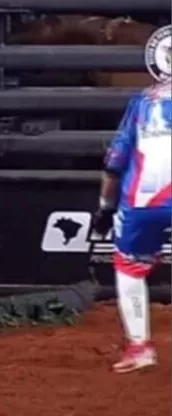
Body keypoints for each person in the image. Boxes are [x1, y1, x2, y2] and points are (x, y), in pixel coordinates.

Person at [92, 79, 171, 373]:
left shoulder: (142, 101)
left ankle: (140, 347)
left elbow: (115, 162)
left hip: (143, 201)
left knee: (128, 267)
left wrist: (105, 206)